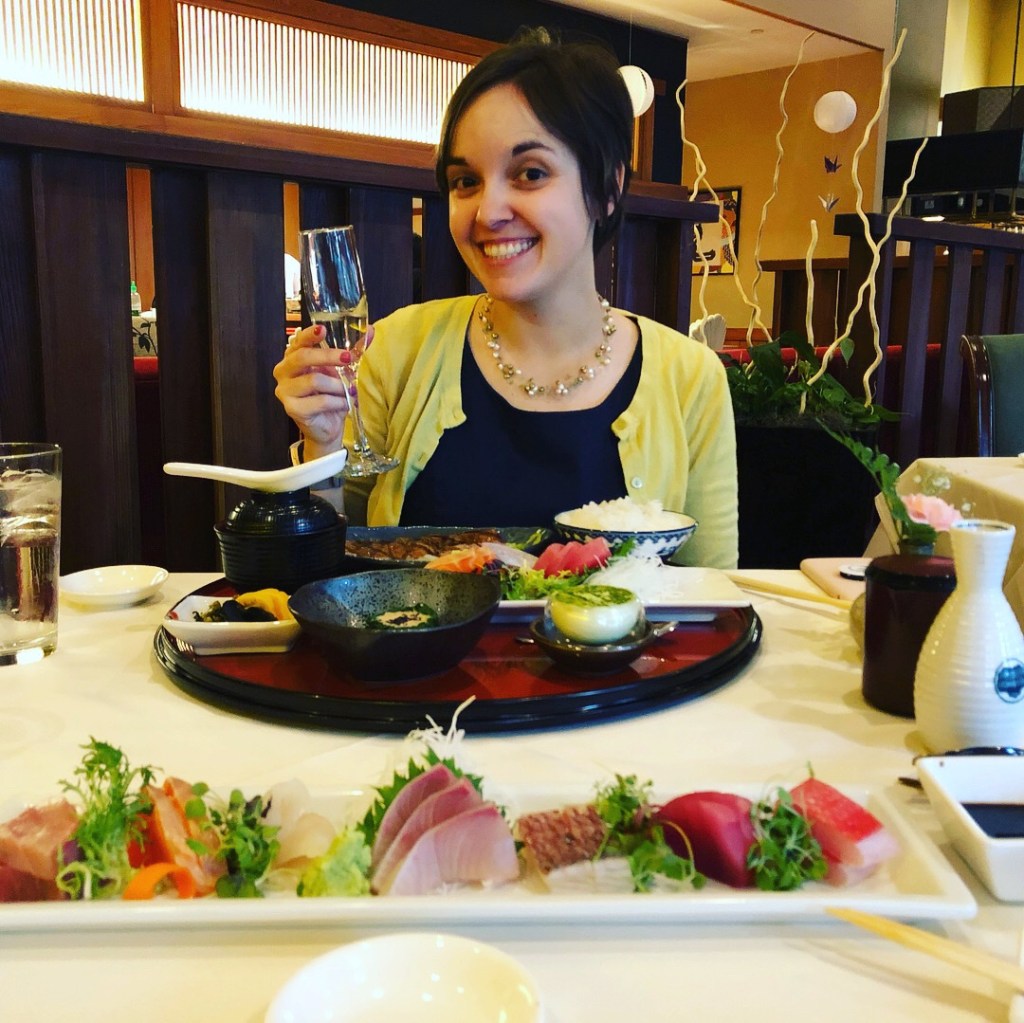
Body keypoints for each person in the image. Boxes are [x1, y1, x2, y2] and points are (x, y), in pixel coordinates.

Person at [273, 27, 738, 569]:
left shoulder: (690, 377)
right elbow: (333, 568)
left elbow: (716, 592)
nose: (488, 211)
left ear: (607, 188)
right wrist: (323, 444)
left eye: (530, 173)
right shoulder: (395, 349)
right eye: (465, 181)